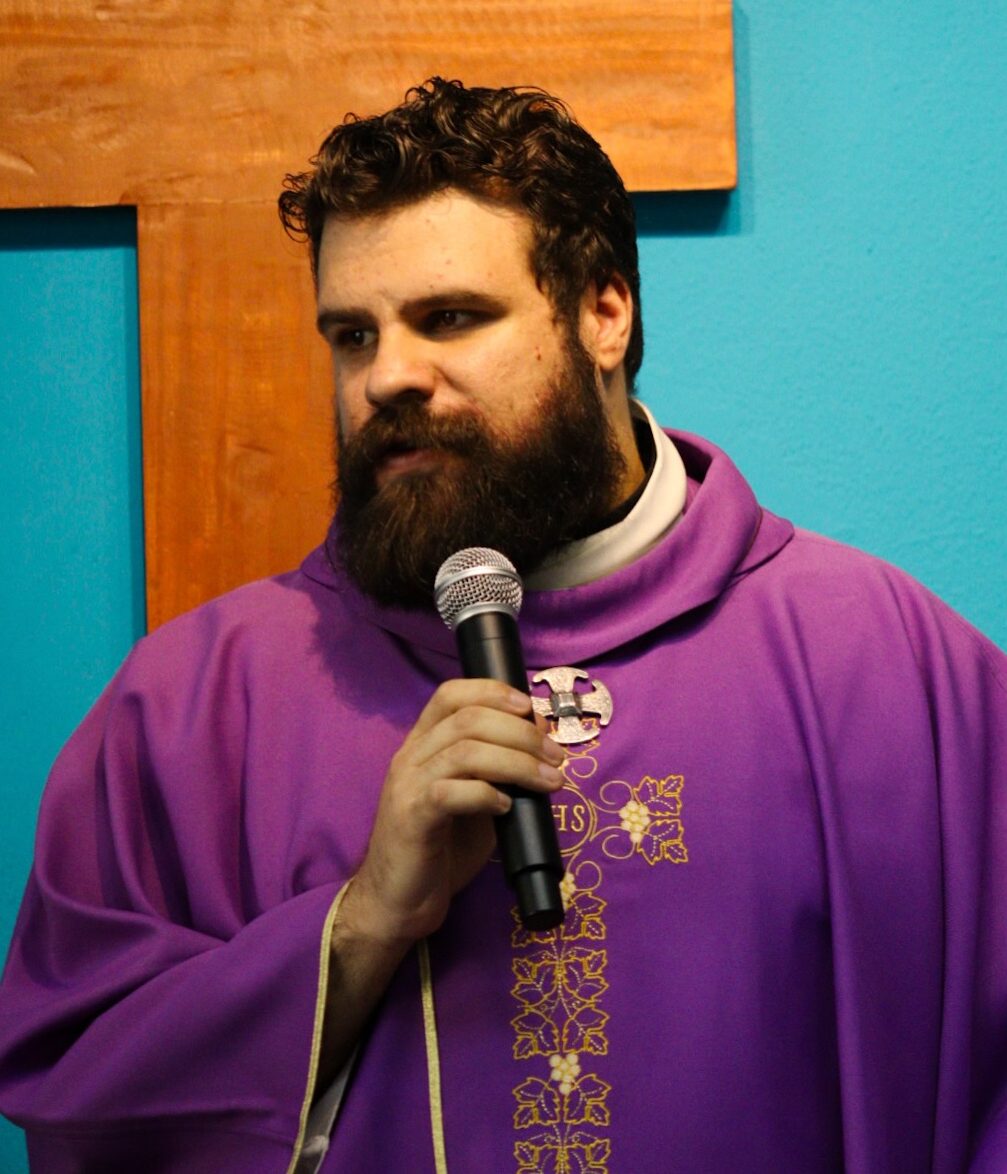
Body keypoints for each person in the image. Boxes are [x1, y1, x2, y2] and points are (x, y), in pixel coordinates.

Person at [0, 77, 1004, 1173]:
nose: (387, 377)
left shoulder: (888, 669)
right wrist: (360, 924)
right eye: (352, 334)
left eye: (449, 318)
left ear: (604, 313)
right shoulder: (194, 709)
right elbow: (80, 1103)